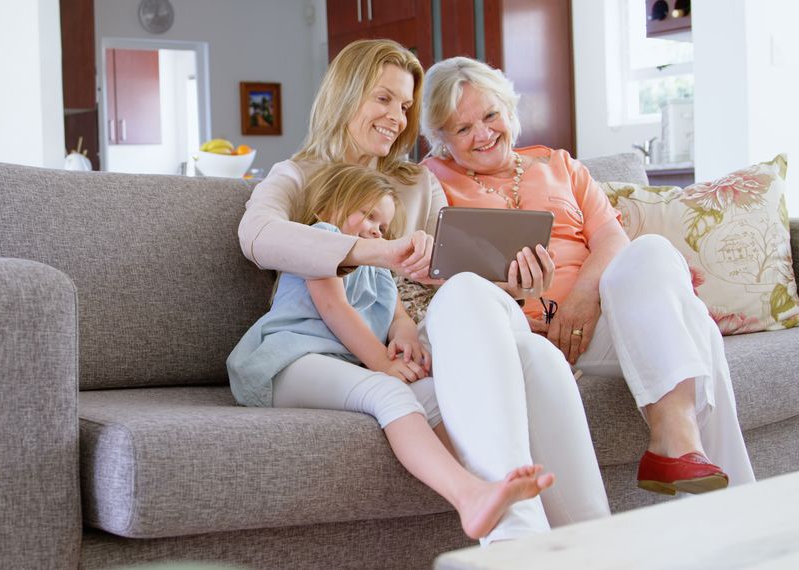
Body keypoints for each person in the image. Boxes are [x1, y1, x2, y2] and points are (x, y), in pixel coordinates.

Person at [237, 38, 610, 544]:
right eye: (383, 98)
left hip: (428, 332)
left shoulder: (414, 183)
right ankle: (512, 538)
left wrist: (519, 285)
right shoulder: (299, 177)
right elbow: (257, 237)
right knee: (476, 317)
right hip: (359, 349)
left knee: (535, 356)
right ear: (345, 95)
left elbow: (451, 268)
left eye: (406, 105)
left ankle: (601, 544)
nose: (396, 116)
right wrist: (374, 252)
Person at [419, 56, 755, 495]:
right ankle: (731, 500)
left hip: (595, 323)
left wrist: (583, 298)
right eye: (463, 129)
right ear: (441, 138)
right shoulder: (430, 183)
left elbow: (613, 240)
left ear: (508, 110)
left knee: (652, 251)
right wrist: (512, 292)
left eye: (490, 115)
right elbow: (439, 283)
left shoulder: (560, 166)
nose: (483, 134)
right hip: (519, 334)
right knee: (701, 335)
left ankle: (676, 442)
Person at [229, 163, 553, 539]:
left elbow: (398, 316)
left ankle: (488, 484)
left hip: (338, 369)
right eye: (366, 215)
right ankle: (469, 495)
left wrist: (406, 339)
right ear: (328, 209)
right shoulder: (320, 240)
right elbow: (334, 309)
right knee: (388, 391)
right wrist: (382, 362)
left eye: (382, 226)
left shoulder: (379, 269)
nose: (374, 230)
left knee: (433, 395)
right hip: (285, 362)